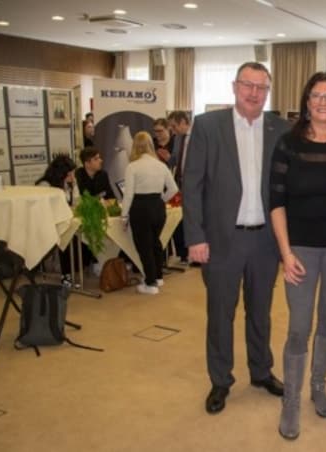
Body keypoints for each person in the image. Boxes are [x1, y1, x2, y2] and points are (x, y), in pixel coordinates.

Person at [183, 62, 289, 414]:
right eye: (248, 84)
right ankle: (220, 381)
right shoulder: (207, 126)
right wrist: (195, 236)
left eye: (261, 87)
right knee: (220, 314)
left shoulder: (280, 128)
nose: (254, 92)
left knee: (260, 312)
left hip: (264, 242)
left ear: (268, 92)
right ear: (234, 86)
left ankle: (261, 371)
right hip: (221, 240)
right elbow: (192, 185)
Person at [270, 72, 326, 439]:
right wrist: (285, 252)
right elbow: (276, 201)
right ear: (307, 102)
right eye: (317, 95)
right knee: (298, 327)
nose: (323, 102)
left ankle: (318, 384)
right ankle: (290, 401)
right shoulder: (287, 144)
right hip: (301, 250)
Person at [120, 131, 178, 295]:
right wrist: (161, 200)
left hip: (140, 208)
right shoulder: (161, 165)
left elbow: (128, 194)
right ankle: (158, 277)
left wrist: (124, 216)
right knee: (155, 243)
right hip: (158, 207)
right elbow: (174, 189)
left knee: (144, 245)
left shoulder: (132, 167)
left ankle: (150, 283)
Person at [36, 154, 81, 287]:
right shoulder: (45, 186)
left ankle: (72, 271)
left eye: (73, 174)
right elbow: (42, 211)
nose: (72, 178)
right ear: (60, 174)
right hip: (46, 224)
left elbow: (76, 203)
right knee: (66, 236)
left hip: (63, 222)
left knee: (74, 234)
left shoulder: (70, 184)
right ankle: (66, 274)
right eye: (69, 174)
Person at [167, 111, 192, 264]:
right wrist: (168, 159)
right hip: (179, 184)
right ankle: (183, 254)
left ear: (183, 122)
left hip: (195, 185)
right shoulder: (177, 139)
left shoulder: (199, 136)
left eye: (174, 126)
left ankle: (195, 253)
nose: (173, 130)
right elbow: (175, 160)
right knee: (178, 218)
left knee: (194, 219)